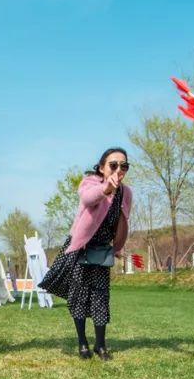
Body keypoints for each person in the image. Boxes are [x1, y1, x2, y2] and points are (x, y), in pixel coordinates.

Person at [38, 148, 132, 360]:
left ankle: (100, 345)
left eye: (123, 166)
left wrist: (117, 247)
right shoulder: (90, 183)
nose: (119, 169)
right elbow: (88, 199)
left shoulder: (126, 193)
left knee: (101, 296)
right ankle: (82, 343)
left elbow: (123, 222)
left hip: (102, 251)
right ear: (101, 168)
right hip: (80, 247)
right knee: (79, 296)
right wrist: (106, 188)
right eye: (113, 165)